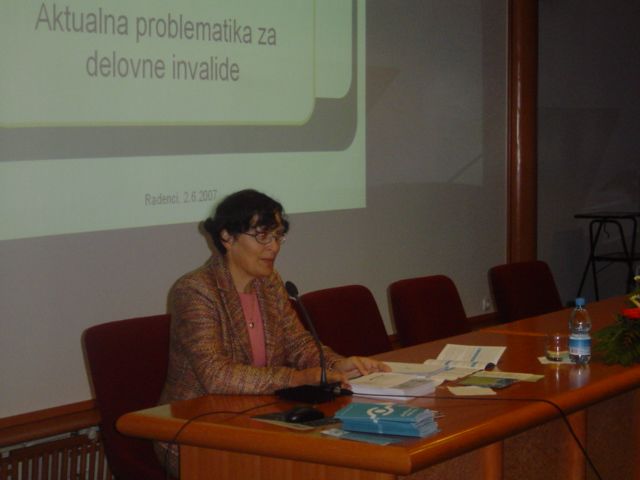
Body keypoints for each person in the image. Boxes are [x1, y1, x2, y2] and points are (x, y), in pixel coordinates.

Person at [155, 189, 389, 477]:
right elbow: (215, 374)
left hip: (260, 415)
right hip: (195, 431)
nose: (274, 247)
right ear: (227, 237)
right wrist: (298, 378)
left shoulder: (269, 283)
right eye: (262, 236)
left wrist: (336, 365)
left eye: (278, 236)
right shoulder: (196, 290)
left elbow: (298, 343)